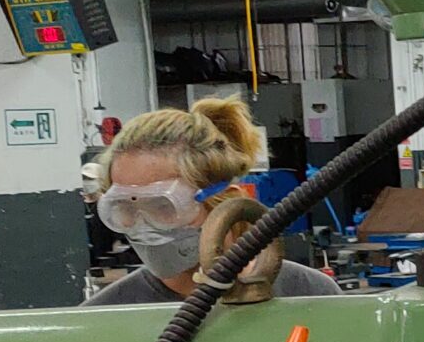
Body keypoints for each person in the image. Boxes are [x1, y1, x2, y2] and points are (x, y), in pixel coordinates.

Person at [87, 98, 340, 304]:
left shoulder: (309, 294)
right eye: (125, 208)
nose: (143, 226)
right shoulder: (103, 317)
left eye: (162, 206)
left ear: (228, 204)